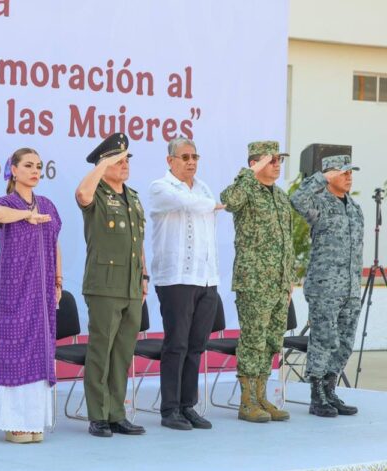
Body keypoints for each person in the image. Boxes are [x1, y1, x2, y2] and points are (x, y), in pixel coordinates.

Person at [0, 148, 62, 443]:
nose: (35, 171)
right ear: (13, 171)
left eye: (39, 166)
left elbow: (54, 242)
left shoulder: (48, 205)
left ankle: (34, 421)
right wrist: (26, 216)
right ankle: (12, 422)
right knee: (14, 349)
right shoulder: (5, 202)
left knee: (39, 349)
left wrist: (58, 280)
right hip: (13, 289)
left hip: (41, 290)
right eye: (28, 165)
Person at [75, 132, 146, 438]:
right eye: (119, 160)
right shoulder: (97, 193)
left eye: (126, 159)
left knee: (122, 354)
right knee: (100, 351)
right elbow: (82, 195)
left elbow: (137, 241)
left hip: (131, 286)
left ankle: (117, 413)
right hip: (104, 286)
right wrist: (102, 167)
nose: (124, 164)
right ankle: (97, 415)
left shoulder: (133, 197)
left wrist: (143, 277)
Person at [148, 137, 221, 430]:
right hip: (176, 277)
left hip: (206, 277)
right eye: (185, 157)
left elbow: (207, 218)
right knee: (176, 344)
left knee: (196, 345)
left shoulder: (203, 188)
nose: (191, 162)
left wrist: (213, 276)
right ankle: (169, 410)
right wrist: (215, 205)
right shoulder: (160, 187)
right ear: (170, 161)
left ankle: (187, 405)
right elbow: (187, 203)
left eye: (195, 157)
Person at [220, 140, 294, 423]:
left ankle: (262, 397)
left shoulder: (280, 197)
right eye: (271, 160)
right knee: (253, 340)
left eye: (279, 160)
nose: (277, 165)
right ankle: (247, 402)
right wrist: (250, 172)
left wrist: (288, 280)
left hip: (278, 283)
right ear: (257, 162)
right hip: (254, 282)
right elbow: (229, 200)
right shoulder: (246, 191)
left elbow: (287, 242)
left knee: (272, 340)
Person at [290, 155, 364, 417]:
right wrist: (321, 179)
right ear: (330, 175)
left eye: (350, 172)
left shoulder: (355, 208)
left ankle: (330, 390)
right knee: (324, 339)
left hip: (351, 289)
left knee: (344, 342)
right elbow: (297, 200)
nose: (349, 176)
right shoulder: (318, 203)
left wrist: (357, 285)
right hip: (325, 287)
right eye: (343, 172)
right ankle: (316, 395)